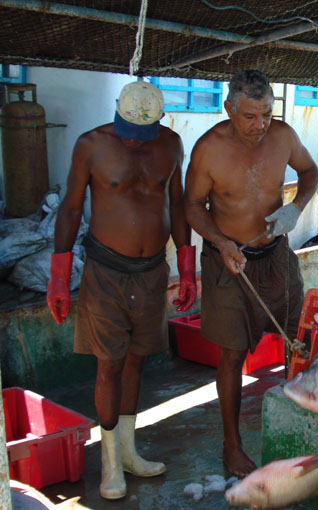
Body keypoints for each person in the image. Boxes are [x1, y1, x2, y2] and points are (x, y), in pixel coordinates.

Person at [46, 81, 197, 499]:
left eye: (142, 132)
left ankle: (129, 453)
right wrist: (59, 277)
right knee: (108, 364)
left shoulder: (170, 145)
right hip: (106, 272)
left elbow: (177, 203)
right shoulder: (90, 145)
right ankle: (110, 464)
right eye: (127, 128)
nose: (133, 140)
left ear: (161, 120)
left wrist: (186, 267)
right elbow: (72, 207)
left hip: (151, 272)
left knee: (136, 362)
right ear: (117, 112)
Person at [184, 70, 318, 477]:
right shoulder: (209, 149)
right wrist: (221, 242)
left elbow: (310, 172)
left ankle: (309, 425)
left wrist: (296, 207)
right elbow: (192, 205)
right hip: (229, 262)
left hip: (275, 255)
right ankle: (232, 445)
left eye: (267, 114)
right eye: (249, 116)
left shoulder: (283, 136)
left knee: (302, 338)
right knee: (231, 353)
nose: (260, 125)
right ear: (229, 109)